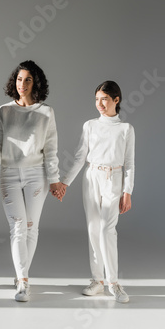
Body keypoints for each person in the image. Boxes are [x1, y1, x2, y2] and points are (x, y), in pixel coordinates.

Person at [0, 60, 64, 302]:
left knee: (31, 227)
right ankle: (23, 282)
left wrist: (55, 180)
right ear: (14, 82)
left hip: (35, 175)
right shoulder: (4, 111)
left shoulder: (46, 113)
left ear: (35, 82)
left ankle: (21, 275)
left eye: (28, 79)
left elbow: (51, 149)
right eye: (19, 79)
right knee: (18, 227)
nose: (22, 84)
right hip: (8, 174)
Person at [59, 81, 135, 303]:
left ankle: (114, 282)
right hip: (92, 177)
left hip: (115, 178)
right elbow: (80, 156)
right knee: (93, 228)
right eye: (97, 99)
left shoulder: (126, 129)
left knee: (106, 229)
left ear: (116, 100)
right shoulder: (90, 125)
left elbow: (129, 163)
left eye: (104, 99)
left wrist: (127, 191)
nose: (100, 104)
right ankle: (97, 281)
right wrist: (65, 182)